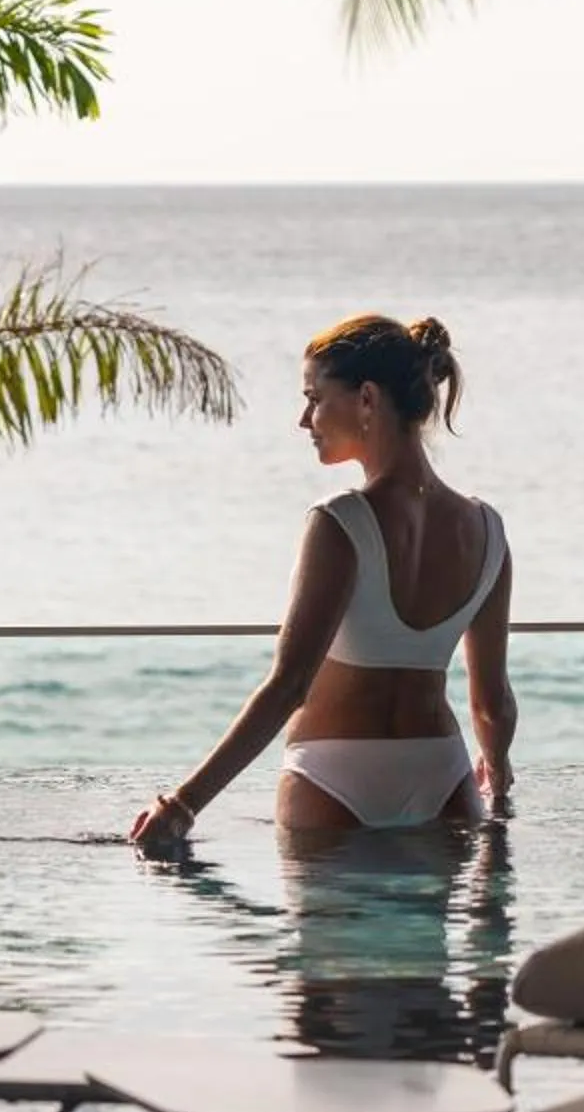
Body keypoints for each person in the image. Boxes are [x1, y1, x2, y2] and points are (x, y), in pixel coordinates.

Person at [129, 313, 514, 850]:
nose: (304, 419)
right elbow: (491, 702)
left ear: (367, 399)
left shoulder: (341, 522)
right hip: (444, 779)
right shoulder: (488, 529)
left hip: (334, 780)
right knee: (425, 937)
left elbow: (290, 683)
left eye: (314, 397)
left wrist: (183, 803)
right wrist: (496, 777)